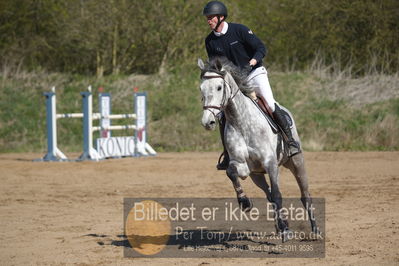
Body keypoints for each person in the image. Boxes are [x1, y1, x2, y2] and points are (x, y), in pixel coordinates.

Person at [202, 1, 301, 170]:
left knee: (269, 103)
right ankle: (227, 154)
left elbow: (260, 48)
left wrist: (252, 62)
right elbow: (215, 66)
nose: (208, 20)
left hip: (254, 73)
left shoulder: (239, 30)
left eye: (211, 17)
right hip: (234, 82)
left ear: (221, 17)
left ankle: (290, 141)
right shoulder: (210, 41)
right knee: (223, 115)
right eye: (207, 18)